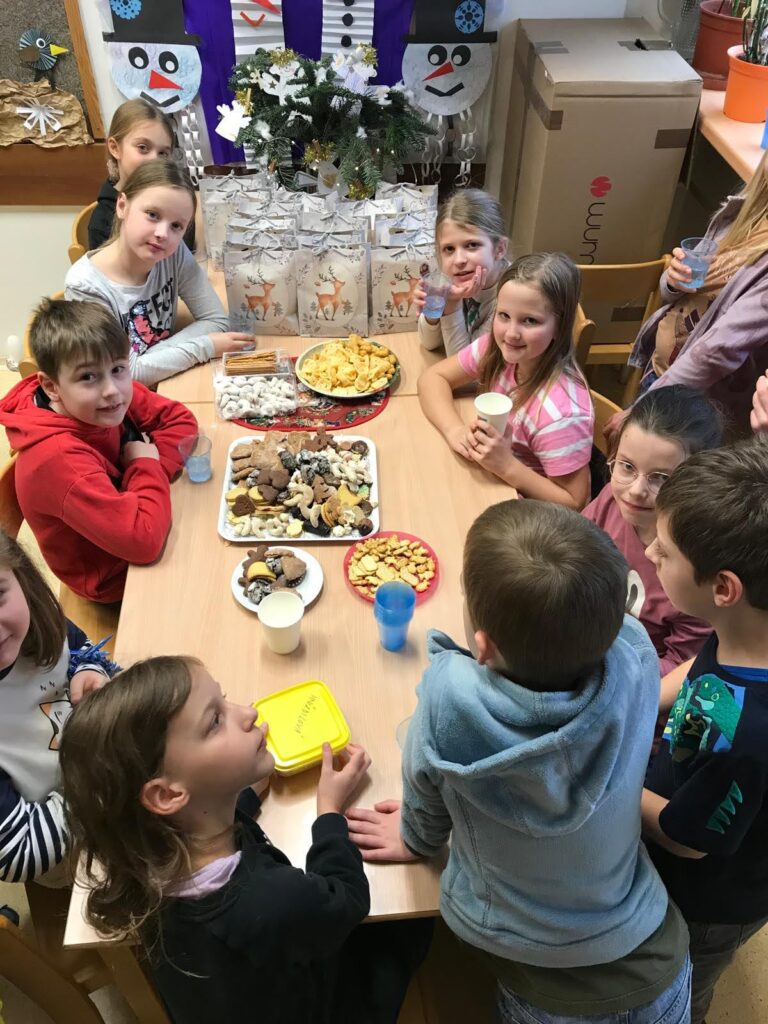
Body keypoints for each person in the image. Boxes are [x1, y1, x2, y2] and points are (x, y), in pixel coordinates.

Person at [346, 500, 691, 1023]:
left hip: (545, 989)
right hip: (655, 958)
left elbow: (424, 792)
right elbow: (618, 629)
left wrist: (415, 839)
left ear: (482, 646)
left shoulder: (449, 699)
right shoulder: (637, 656)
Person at [59, 655, 377, 1022]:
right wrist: (330, 813)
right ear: (166, 795)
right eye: (215, 721)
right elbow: (348, 898)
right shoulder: (272, 899)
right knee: (403, 935)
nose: (250, 713)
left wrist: (238, 792)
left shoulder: (145, 859)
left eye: (224, 700)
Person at [643, 438, 768, 1024]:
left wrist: (608, 777)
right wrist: (643, 700)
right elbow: (705, 662)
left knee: (679, 982)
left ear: (723, 587)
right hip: (693, 781)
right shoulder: (746, 625)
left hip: (709, 895)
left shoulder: (747, 738)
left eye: (664, 551)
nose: (649, 551)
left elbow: (685, 837)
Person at [0, 299, 197, 604]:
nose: (112, 390)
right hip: (114, 577)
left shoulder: (103, 399)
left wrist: (150, 470)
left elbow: (180, 421)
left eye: (118, 369)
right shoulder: (59, 461)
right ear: (51, 387)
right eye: (88, 377)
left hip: (134, 525)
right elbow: (143, 542)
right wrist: (144, 466)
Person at [417, 253, 593, 508]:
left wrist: (506, 466)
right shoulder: (495, 349)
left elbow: (574, 503)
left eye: (530, 321)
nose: (511, 333)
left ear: (560, 326)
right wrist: (454, 430)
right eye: (503, 315)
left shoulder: (562, 414)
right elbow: (432, 378)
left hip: (530, 512)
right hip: (494, 483)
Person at [621, 150, 768, 439]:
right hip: (661, 373)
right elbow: (676, 291)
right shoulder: (744, 213)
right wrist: (673, 281)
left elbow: (717, 351)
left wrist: (643, 407)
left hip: (692, 403)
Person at [66, 159, 252, 386]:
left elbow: (217, 320)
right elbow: (127, 374)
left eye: (176, 226)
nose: (163, 233)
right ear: (122, 206)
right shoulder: (85, 287)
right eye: (152, 214)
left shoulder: (172, 252)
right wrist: (206, 346)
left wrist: (148, 361)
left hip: (163, 382)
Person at [0, 530, 118, 884]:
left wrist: (89, 669)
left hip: (111, 767)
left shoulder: (37, 621)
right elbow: (19, 853)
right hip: (74, 849)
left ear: (20, 577)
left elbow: (81, 649)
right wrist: (104, 782)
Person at [584, 384, 722, 674]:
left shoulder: (698, 568)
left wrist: (594, 665)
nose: (636, 490)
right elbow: (574, 546)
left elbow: (679, 666)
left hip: (630, 674)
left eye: (661, 478)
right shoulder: (611, 500)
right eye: (627, 466)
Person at [416, 188, 509, 357]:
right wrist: (433, 307)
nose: (459, 260)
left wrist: (451, 304)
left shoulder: (510, 299)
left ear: (500, 249)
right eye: (449, 249)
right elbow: (429, 343)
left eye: (472, 245)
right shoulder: (455, 278)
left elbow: (465, 366)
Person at [88, 98, 175, 252]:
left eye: (162, 153)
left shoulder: (172, 200)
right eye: (143, 147)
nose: (154, 160)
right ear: (115, 148)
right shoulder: (103, 221)